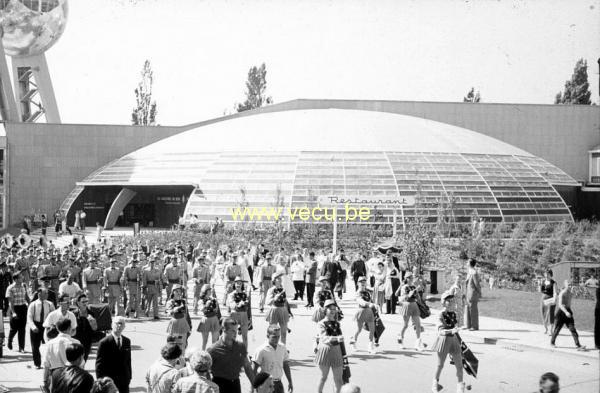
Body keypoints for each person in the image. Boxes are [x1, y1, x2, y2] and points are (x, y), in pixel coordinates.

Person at [207, 318, 255, 393]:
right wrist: (210, 387)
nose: (235, 334)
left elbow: (247, 367)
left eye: (236, 330)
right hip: (219, 385)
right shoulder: (212, 350)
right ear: (223, 329)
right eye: (232, 331)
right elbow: (205, 371)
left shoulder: (241, 346)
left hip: (235, 384)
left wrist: (255, 385)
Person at [431, 290, 465, 393]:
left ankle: (460, 387)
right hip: (444, 340)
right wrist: (451, 330)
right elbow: (440, 331)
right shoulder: (440, 314)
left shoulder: (454, 314)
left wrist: (457, 334)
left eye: (452, 300)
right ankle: (435, 385)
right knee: (440, 365)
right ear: (443, 302)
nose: (451, 302)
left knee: (459, 365)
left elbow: (455, 328)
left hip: (454, 340)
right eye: (448, 300)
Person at [42, 317, 81, 391]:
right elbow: (81, 364)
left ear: (57, 328)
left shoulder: (50, 344)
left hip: (54, 379)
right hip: (72, 378)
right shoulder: (76, 343)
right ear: (69, 328)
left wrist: (44, 382)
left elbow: (46, 365)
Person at [96, 316, 132, 393]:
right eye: (117, 323)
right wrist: (100, 382)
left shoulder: (127, 341)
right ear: (112, 325)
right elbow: (99, 364)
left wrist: (129, 377)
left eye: (121, 324)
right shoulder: (104, 342)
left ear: (124, 327)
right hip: (109, 381)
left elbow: (128, 360)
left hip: (124, 380)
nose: (119, 326)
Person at [252, 325, 293, 393]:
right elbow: (254, 369)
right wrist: (254, 387)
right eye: (274, 337)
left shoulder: (282, 348)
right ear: (268, 336)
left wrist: (290, 381)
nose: (277, 339)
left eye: (278, 337)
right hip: (266, 385)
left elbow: (286, 365)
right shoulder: (261, 350)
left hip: (279, 383)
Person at [315, 299, 344, 393]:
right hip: (325, 351)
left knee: (339, 380)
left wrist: (344, 354)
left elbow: (341, 341)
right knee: (323, 377)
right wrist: (336, 339)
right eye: (330, 309)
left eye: (334, 308)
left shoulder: (337, 323)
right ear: (325, 310)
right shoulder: (321, 323)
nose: (332, 311)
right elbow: (324, 338)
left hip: (337, 351)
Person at [550, 280, 585, 351]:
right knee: (557, 329)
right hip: (562, 313)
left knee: (573, 329)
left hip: (568, 312)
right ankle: (552, 342)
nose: (570, 286)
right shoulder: (562, 293)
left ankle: (578, 345)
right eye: (568, 285)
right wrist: (566, 312)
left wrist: (568, 311)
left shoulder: (570, 293)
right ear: (565, 285)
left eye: (571, 284)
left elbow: (569, 303)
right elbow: (560, 305)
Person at [27, 287, 55, 369]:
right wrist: (33, 327)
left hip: (46, 326)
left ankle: (49, 363)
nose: (47, 294)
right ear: (39, 294)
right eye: (45, 293)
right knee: (35, 346)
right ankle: (37, 363)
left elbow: (53, 315)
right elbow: (29, 317)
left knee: (48, 345)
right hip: (36, 326)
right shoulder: (33, 305)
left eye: (47, 293)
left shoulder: (50, 304)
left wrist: (52, 326)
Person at [395, 274, 425, 351]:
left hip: (414, 305)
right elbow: (407, 297)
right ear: (406, 279)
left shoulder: (414, 286)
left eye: (412, 277)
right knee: (405, 325)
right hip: (406, 305)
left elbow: (418, 297)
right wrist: (415, 290)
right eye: (410, 278)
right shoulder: (404, 287)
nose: (412, 279)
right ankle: (400, 338)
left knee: (418, 325)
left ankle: (417, 345)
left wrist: (422, 304)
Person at [349, 276, 376, 354]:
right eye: (361, 282)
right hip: (361, 311)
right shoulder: (357, 293)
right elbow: (360, 301)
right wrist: (368, 304)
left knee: (372, 329)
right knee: (359, 329)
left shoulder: (368, 292)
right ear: (358, 283)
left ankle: (370, 346)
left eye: (364, 282)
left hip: (369, 312)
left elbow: (371, 301)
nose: (363, 283)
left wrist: (374, 305)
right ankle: (353, 340)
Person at [5, 271, 29, 352]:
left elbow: (26, 296)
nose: (22, 278)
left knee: (22, 329)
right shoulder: (10, 288)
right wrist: (14, 312)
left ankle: (21, 347)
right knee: (14, 328)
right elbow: (10, 302)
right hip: (14, 308)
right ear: (15, 279)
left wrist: (30, 304)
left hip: (23, 308)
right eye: (20, 277)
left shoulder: (24, 286)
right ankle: (10, 340)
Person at [265, 272, 292, 344]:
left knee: (283, 333)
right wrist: (274, 298)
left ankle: (283, 348)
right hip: (274, 310)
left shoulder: (283, 289)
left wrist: (289, 312)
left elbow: (285, 301)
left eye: (280, 278)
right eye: (278, 278)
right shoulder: (271, 290)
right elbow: (267, 302)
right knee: (273, 331)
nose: (280, 279)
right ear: (274, 280)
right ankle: (271, 346)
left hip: (283, 311)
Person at [166, 284, 192, 351]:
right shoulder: (170, 302)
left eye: (180, 291)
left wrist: (189, 324)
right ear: (173, 292)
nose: (178, 293)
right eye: (176, 291)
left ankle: (182, 359)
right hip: (174, 324)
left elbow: (186, 314)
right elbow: (168, 313)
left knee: (183, 344)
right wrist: (174, 309)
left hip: (183, 323)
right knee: (173, 344)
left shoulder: (183, 302)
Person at [227, 276, 251, 347]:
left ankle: (245, 354)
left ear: (242, 285)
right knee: (233, 336)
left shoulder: (245, 294)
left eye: (240, 283)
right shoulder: (231, 294)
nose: (238, 285)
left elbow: (247, 306)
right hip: (235, 315)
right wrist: (239, 304)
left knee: (245, 337)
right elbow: (232, 305)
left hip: (244, 315)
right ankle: (232, 352)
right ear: (234, 284)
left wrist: (244, 304)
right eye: (237, 283)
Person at [196, 283, 221, 350]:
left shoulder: (214, 299)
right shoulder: (201, 301)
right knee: (205, 341)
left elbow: (216, 310)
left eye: (210, 290)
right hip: (206, 319)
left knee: (215, 341)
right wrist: (207, 305)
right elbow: (203, 310)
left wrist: (214, 303)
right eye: (209, 290)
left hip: (214, 319)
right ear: (205, 291)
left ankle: (213, 354)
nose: (210, 291)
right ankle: (202, 353)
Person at [73, 293, 97, 361]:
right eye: (83, 302)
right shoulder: (73, 314)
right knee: (76, 359)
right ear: (78, 303)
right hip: (76, 340)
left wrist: (93, 323)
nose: (85, 303)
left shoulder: (91, 313)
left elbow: (95, 328)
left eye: (86, 301)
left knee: (84, 358)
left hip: (87, 340)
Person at [540, 269, 559, 336]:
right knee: (543, 314)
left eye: (548, 274)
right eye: (545, 274)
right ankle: (546, 328)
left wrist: (554, 299)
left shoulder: (553, 283)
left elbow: (555, 292)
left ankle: (551, 330)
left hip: (551, 299)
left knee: (551, 314)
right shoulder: (543, 281)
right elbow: (541, 290)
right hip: (544, 299)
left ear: (551, 275)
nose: (546, 275)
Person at [464, 258, 481, 331]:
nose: (466, 262)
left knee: (473, 310)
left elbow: (477, 284)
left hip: (473, 293)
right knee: (467, 309)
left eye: (467, 261)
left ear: (470, 263)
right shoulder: (469, 272)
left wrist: (479, 292)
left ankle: (474, 326)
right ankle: (468, 325)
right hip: (468, 293)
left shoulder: (474, 272)